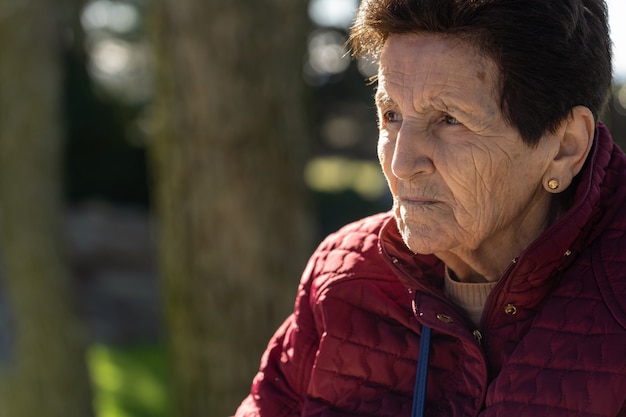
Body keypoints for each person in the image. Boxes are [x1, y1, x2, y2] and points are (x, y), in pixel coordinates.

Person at [235, 0, 626, 415]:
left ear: (565, 148)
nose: (401, 163)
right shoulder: (344, 278)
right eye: (392, 115)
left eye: (449, 120)